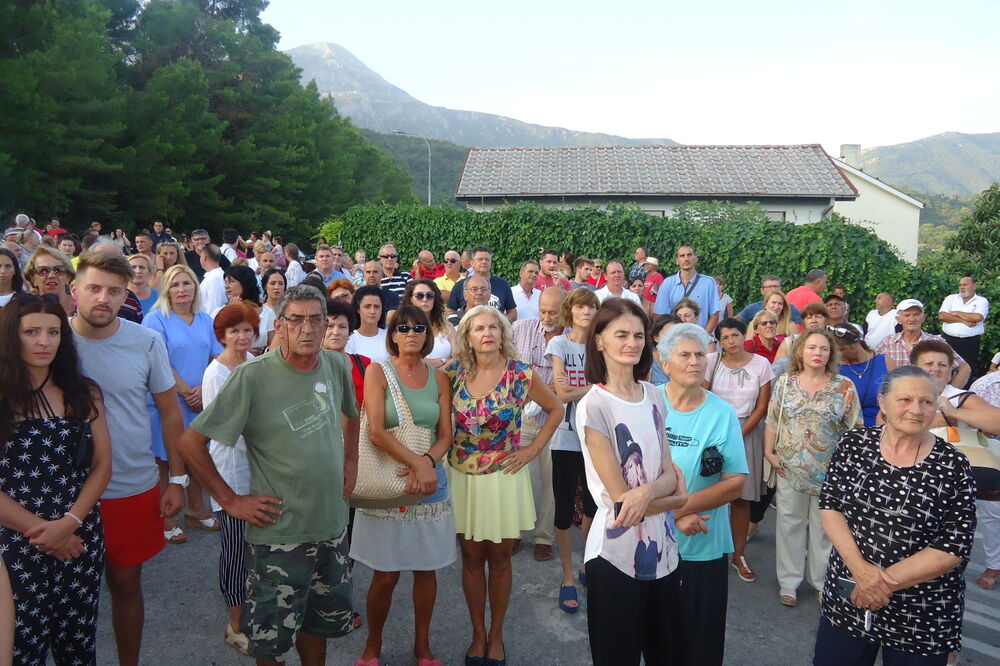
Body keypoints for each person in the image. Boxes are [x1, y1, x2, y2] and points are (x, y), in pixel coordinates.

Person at [178, 284, 361, 665]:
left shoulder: (337, 363)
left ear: (327, 323)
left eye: (316, 319)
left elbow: (351, 415)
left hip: (331, 526)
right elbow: (190, 444)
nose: (307, 329)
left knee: (319, 628)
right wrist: (230, 501)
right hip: (280, 535)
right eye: (296, 320)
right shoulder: (252, 377)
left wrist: (350, 463)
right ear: (279, 325)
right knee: (271, 644)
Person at [813, 366, 977, 666]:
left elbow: (954, 546)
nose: (916, 410)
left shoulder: (954, 465)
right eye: (905, 400)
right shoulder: (854, 445)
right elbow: (831, 506)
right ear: (884, 402)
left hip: (922, 612)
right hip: (851, 595)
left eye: (927, 402)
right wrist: (862, 574)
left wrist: (880, 584)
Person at [70, 251, 185, 666]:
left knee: (125, 584)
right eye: (94, 288)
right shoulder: (49, 340)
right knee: (65, 597)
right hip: (62, 491)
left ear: (126, 296)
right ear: (75, 291)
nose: (104, 298)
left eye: (114, 291)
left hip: (131, 486)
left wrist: (177, 479)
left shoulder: (145, 341)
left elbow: (170, 412)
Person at [574, 298, 688, 666]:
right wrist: (674, 501)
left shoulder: (655, 395)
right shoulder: (594, 405)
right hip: (615, 556)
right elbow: (623, 506)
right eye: (621, 334)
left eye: (639, 335)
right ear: (599, 341)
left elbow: (668, 473)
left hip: (666, 553)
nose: (632, 343)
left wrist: (649, 491)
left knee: (668, 656)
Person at [447, 305, 562, 666]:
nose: (487, 333)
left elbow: (556, 409)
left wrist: (533, 449)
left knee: (499, 559)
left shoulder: (520, 374)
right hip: (462, 477)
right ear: (467, 336)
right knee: (469, 558)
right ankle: (477, 634)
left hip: (503, 478)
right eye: (479, 328)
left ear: (503, 333)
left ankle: (496, 635)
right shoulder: (452, 373)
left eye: (493, 327)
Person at [0, 294, 113, 664]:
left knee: (77, 646)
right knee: (20, 648)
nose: (44, 341)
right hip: (14, 544)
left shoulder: (84, 391)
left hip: (80, 537)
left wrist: (69, 524)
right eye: (31, 332)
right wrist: (45, 533)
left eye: (53, 332)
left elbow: (102, 466)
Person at [350, 305, 455, 666]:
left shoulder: (439, 377)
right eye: (403, 327)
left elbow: (446, 434)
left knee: (427, 571)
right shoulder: (378, 371)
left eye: (419, 327)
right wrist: (416, 463)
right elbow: (376, 430)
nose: (411, 332)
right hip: (388, 479)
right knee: (386, 573)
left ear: (428, 335)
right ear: (392, 335)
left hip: (429, 481)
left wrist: (426, 465)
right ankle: (372, 646)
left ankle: (422, 647)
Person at [657, 323, 747, 665]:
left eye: (700, 354)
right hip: (650, 541)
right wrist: (675, 514)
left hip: (702, 545)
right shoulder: (648, 402)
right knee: (657, 636)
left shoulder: (721, 413)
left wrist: (680, 509)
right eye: (684, 355)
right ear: (665, 364)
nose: (695, 361)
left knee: (700, 641)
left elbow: (735, 481)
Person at [765, 328, 861, 607]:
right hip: (789, 468)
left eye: (823, 348)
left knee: (825, 529)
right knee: (789, 525)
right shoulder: (785, 383)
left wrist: (848, 469)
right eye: (811, 348)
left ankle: (822, 583)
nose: (817, 353)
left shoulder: (844, 386)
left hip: (829, 472)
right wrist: (770, 454)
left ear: (831, 353)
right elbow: (774, 420)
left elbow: (855, 429)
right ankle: (789, 582)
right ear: (800, 352)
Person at [143, 264, 223, 542]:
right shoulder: (156, 319)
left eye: (186, 284)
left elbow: (216, 357)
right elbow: (159, 360)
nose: (181, 290)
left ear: (195, 287)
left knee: (197, 456)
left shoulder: (204, 319)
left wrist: (202, 389)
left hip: (199, 399)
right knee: (167, 460)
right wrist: (186, 391)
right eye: (175, 285)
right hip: (166, 401)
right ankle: (166, 518)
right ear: (166, 289)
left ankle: (196, 510)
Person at [202, 303, 259, 654]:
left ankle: (252, 612)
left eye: (247, 329)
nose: (241, 336)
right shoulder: (216, 373)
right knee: (235, 552)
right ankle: (235, 624)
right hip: (231, 473)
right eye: (234, 331)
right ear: (222, 335)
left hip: (258, 468)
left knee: (257, 549)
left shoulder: (254, 361)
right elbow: (221, 430)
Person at [706, 318, 774, 583]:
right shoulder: (711, 362)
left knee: (740, 498)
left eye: (735, 335)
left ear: (743, 334)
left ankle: (738, 554)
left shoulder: (761, 364)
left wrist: (737, 434)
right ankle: (708, 551)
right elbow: (703, 396)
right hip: (713, 433)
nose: (731, 342)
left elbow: (762, 407)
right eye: (725, 338)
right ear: (719, 341)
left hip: (747, 432)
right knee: (708, 493)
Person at [546, 288, 601, 614]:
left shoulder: (602, 346)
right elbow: (562, 393)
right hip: (565, 438)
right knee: (565, 508)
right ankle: (567, 575)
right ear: (571, 310)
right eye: (581, 306)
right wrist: (595, 389)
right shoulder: (560, 344)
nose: (586, 311)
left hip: (596, 439)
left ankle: (587, 565)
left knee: (595, 507)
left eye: (592, 306)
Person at [511, 288, 566, 562]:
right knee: (517, 477)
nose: (546, 317)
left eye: (553, 312)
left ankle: (543, 538)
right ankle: (516, 532)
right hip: (522, 416)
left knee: (550, 480)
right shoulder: (519, 328)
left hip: (555, 420)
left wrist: (551, 390)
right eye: (543, 310)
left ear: (565, 311)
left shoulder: (572, 338)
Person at [875, 299, 970, 389]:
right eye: (907, 315)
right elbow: (868, 364)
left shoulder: (936, 342)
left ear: (923, 318)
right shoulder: (888, 342)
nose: (912, 319)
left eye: (916, 314)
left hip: (929, 397)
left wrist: (951, 393)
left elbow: (964, 367)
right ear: (898, 319)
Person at [831, 323, 896, 427]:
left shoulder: (885, 362)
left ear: (856, 343)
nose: (838, 354)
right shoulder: (834, 368)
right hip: (849, 430)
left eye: (842, 349)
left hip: (884, 427)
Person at [446, 246, 517, 321]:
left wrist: (499, 322)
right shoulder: (460, 286)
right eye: (480, 259)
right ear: (471, 263)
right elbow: (450, 311)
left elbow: (512, 312)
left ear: (491, 263)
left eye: (487, 259)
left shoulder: (503, 284)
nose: (484, 262)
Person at [938, 276, 989, 377]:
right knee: (944, 365)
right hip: (948, 340)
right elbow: (942, 316)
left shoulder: (981, 301)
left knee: (967, 368)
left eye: (965, 285)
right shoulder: (951, 298)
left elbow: (977, 318)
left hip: (970, 342)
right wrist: (964, 321)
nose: (961, 287)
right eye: (960, 285)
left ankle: (964, 391)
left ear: (974, 286)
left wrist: (956, 312)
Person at [402, 279, 456, 369]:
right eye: (419, 296)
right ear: (410, 299)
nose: (425, 299)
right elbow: (402, 358)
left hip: (445, 376)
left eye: (430, 296)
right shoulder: (403, 328)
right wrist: (431, 363)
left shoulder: (447, 327)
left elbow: (457, 357)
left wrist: (441, 368)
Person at [24, 247, 75, 315]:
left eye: (58, 270)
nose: (51, 275)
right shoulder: (25, 310)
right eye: (43, 271)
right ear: (33, 278)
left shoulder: (82, 305)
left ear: (68, 277)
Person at [347, 285, 389, 363]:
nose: (372, 311)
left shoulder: (389, 336)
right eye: (367, 306)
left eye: (376, 306)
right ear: (358, 309)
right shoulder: (350, 339)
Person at [198, 244, 227, 313]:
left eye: (201, 256)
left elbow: (215, 307)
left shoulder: (215, 279)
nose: (200, 258)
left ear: (205, 258)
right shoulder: (214, 276)